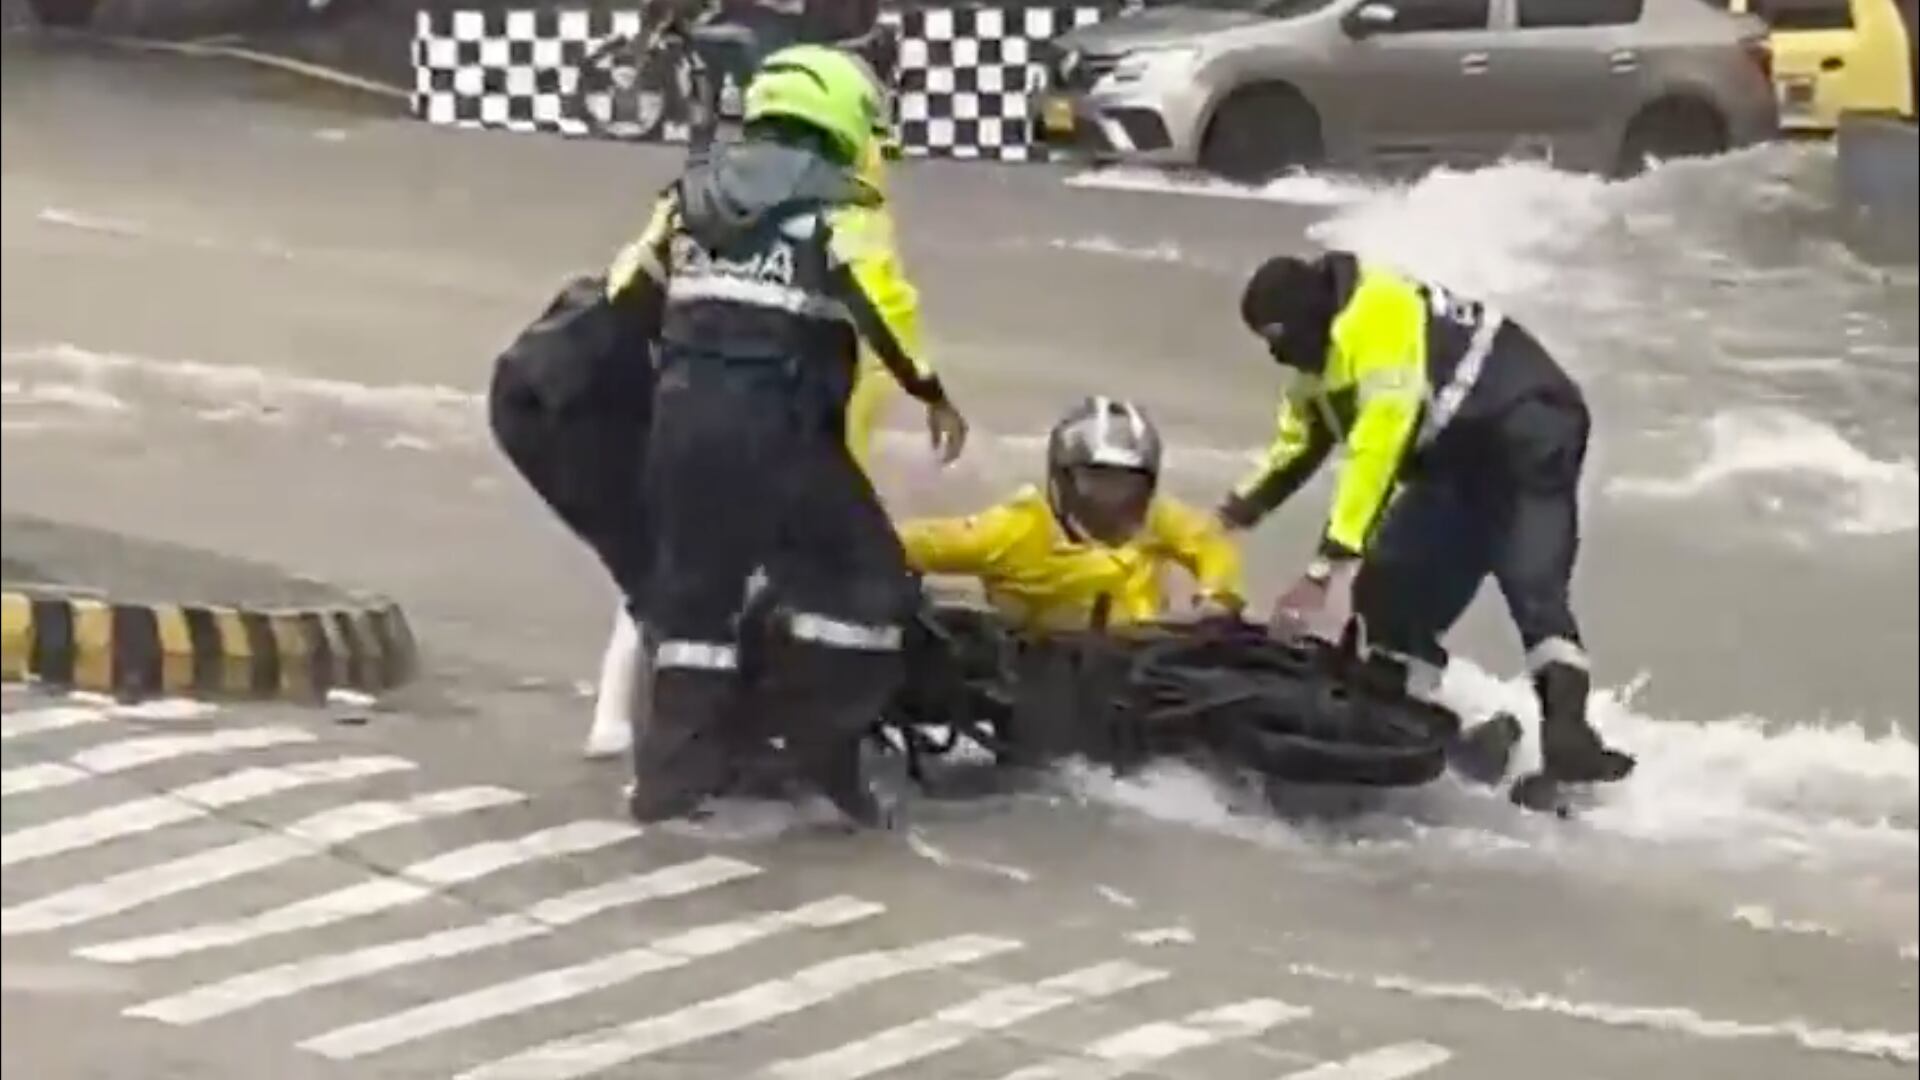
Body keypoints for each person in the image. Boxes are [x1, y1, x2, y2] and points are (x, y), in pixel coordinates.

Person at [611, 43, 969, 828]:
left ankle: (668, 784)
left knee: (694, 604)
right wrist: (932, 393)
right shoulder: (844, 205)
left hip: (681, 430)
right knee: (868, 584)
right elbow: (884, 310)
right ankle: (821, 752)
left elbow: (625, 294)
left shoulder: (688, 194)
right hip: (780, 437)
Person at [1218, 250, 1635, 786]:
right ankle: (1415, 731)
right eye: (1268, 344)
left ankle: (1569, 738)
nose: (1278, 356)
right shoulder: (1314, 364)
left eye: (1281, 339)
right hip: (1456, 460)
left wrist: (1329, 562)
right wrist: (1230, 516)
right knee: (1388, 594)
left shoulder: (1378, 314)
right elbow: (1297, 447)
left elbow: (1379, 444)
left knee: (1531, 583)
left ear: (1310, 318)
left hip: (1528, 424)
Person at [900, 396, 1246, 634]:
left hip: (1143, 671)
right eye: (1097, 481)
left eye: (1127, 484)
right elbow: (902, 543)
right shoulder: (1014, 528)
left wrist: (1215, 597)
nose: (1113, 498)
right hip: (1043, 676)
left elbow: (1209, 541)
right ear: (1062, 477)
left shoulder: (1158, 517)